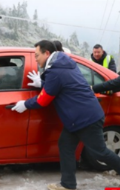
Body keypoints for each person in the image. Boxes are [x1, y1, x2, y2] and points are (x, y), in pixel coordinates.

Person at [11, 40, 120, 190]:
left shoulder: (56, 71)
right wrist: (43, 83)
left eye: (37, 55)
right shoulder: (63, 64)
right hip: (76, 119)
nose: (35, 59)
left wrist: (25, 104)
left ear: (47, 53)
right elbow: (62, 85)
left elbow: (43, 100)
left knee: (100, 152)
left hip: (86, 118)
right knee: (66, 145)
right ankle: (68, 184)